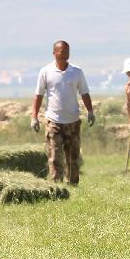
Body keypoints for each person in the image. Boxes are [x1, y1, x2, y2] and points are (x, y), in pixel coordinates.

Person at [31, 40, 95, 185]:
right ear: (54, 53)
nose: (65, 54)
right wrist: (34, 117)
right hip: (53, 121)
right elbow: (38, 95)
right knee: (54, 155)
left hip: (72, 121)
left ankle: (73, 184)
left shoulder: (76, 72)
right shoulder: (46, 71)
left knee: (73, 156)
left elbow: (84, 93)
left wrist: (90, 111)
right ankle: (56, 186)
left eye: (67, 51)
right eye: (61, 51)